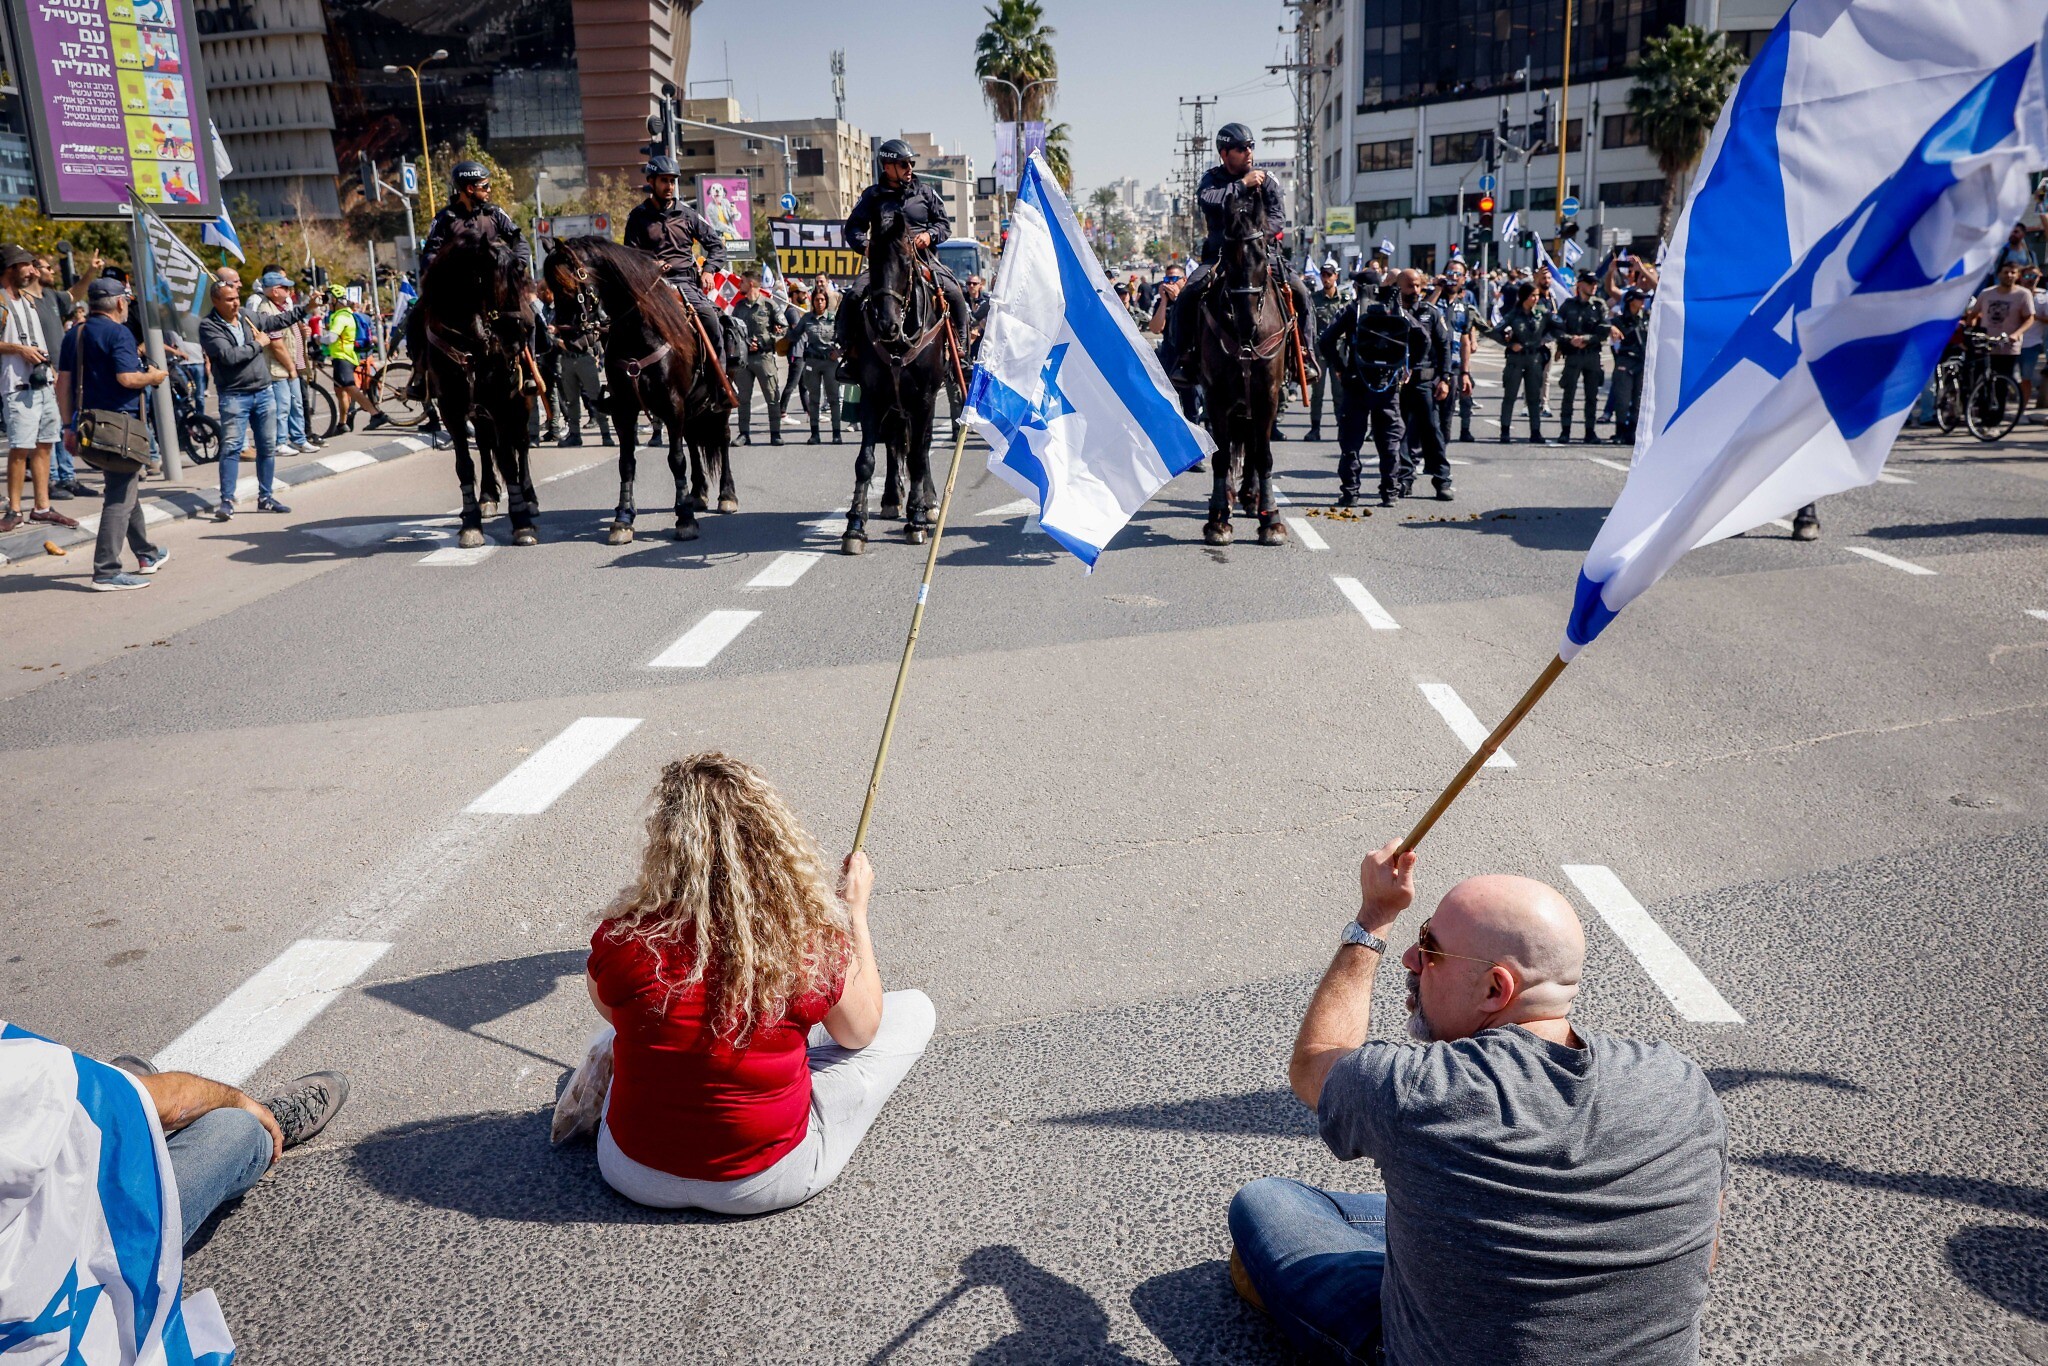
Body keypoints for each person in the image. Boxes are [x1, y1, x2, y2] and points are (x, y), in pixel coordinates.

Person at [1227, 839, 1728, 1365]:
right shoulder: (1681, 1080)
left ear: (1495, 989)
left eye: (1430, 947)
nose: (1411, 959)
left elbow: (1315, 1064)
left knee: (1267, 1202)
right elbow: (1703, 1250)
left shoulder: (1424, 1090)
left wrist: (1374, 917)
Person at [580, 753, 935, 1215]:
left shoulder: (626, 938)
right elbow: (860, 1032)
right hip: (766, 1178)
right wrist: (855, 914)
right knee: (915, 1010)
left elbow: (609, 1013)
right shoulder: (807, 942)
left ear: (666, 842)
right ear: (772, 838)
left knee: (630, 1030)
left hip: (633, 1172)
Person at [0, 1026, 348, 1360]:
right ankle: (263, 1126)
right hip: (87, 1251)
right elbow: (176, 1101)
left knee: (94, 1107)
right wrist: (129, 1096)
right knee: (237, 1128)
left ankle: (113, 1113)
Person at [1159, 124, 1317, 386]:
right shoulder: (1212, 180)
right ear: (1224, 153)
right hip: (1219, 257)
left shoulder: (1267, 180)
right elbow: (1209, 200)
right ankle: (1185, 357)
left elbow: (1278, 217)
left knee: (1301, 291)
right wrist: (1242, 185)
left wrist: (1255, 240)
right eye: (1241, 148)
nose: (1248, 152)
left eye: (1251, 146)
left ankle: (1304, 355)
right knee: (1188, 295)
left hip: (1262, 255)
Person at [58, 278, 167, 589]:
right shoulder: (120, 333)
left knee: (125, 488)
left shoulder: (75, 333)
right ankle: (106, 571)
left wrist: (67, 427)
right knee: (119, 497)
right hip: (122, 428)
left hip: (89, 425)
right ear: (121, 303)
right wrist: (153, 376)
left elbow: (62, 383)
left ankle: (147, 554)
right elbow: (127, 378)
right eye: (127, 301)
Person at [838, 140, 970, 382]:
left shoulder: (925, 192)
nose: (910, 168)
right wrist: (866, 246)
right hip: (885, 264)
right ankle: (850, 354)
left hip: (923, 259)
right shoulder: (873, 196)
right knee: (854, 295)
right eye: (903, 164)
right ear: (887, 166)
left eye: (911, 163)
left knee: (955, 293)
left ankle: (960, 353)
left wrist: (929, 235)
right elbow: (853, 227)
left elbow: (944, 225)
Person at [403, 161, 532, 401]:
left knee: (531, 317)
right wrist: (441, 275)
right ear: (469, 188)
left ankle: (529, 367)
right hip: (457, 291)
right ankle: (420, 374)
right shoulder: (445, 218)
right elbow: (430, 253)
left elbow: (519, 241)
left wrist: (516, 264)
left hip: (495, 288)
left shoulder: (495, 213)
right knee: (415, 317)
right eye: (485, 185)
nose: (489, 190)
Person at [199, 276, 308, 520]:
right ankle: (227, 500)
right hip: (234, 395)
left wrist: (305, 310)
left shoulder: (248, 316)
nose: (235, 303)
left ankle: (266, 497)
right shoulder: (209, 327)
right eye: (229, 300)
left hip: (263, 390)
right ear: (215, 301)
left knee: (267, 447)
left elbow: (276, 321)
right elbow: (229, 357)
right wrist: (258, 344)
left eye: (237, 298)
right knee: (231, 448)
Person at [1320, 276, 1426, 508]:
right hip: (1387, 384)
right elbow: (1423, 337)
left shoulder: (1354, 310)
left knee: (1350, 442)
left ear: (1359, 287)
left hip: (1357, 382)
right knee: (1389, 441)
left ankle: (1350, 494)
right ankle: (1390, 493)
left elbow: (1326, 339)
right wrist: (1408, 367)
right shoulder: (1395, 309)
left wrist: (1339, 367)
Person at [621, 155, 733, 371]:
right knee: (620, 325)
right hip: (651, 286)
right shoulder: (637, 217)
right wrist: (650, 266)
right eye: (664, 180)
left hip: (685, 285)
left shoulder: (688, 215)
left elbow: (717, 246)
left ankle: (720, 380)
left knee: (711, 320)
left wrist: (709, 270)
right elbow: (629, 256)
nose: (669, 186)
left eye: (672, 181)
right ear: (651, 182)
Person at [0, 243, 76, 536]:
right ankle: (14, 509)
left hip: (43, 384)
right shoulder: (2, 302)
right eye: (26, 265)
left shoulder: (28, 300)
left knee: (45, 443)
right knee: (21, 448)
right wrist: (18, 349)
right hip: (18, 387)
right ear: (10, 268)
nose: (32, 270)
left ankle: (42, 507)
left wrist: (49, 366)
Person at [246, 270, 304, 457]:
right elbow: (277, 344)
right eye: (285, 287)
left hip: (288, 364)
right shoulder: (266, 309)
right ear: (274, 290)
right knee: (282, 406)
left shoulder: (282, 307)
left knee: (296, 404)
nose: (289, 290)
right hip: (278, 367)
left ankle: (299, 439)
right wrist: (291, 367)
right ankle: (280, 442)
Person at [318, 285, 389, 432]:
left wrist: (317, 339)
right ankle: (342, 424)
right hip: (341, 356)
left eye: (329, 299)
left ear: (335, 300)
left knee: (350, 387)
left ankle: (377, 414)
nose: (328, 302)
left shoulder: (341, 316)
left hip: (344, 357)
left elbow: (331, 338)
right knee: (340, 391)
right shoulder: (344, 315)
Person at [554, 277, 614, 448]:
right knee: (571, 400)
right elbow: (552, 328)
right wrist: (556, 338)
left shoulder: (589, 304)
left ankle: (606, 433)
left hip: (585, 356)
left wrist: (593, 331)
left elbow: (604, 323)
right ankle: (574, 434)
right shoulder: (563, 307)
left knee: (595, 397)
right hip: (567, 357)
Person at [1555, 271, 1610, 444]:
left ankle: (1590, 431)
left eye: (1595, 283)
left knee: (1592, 396)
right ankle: (1565, 430)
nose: (1593, 286)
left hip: (1592, 355)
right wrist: (1569, 340)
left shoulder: (1599, 305)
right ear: (1580, 285)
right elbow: (1557, 327)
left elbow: (1604, 329)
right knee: (1568, 394)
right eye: (1589, 283)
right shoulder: (1568, 305)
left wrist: (1585, 339)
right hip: (1573, 354)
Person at [731, 274, 784, 446]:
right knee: (743, 398)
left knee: (772, 396)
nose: (740, 285)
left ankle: (775, 433)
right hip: (744, 360)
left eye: (742, 282)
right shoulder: (739, 307)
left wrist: (764, 342)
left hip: (764, 357)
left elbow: (783, 330)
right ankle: (744, 434)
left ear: (751, 283)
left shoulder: (769, 305)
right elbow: (732, 331)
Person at [1496, 285, 1553, 444]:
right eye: (1532, 296)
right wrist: (1509, 344)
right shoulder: (1514, 314)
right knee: (1510, 396)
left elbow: (1557, 325)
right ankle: (1505, 431)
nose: (1535, 299)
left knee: (1534, 397)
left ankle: (1535, 431)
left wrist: (1546, 339)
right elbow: (1496, 330)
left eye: (1536, 295)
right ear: (1523, 297)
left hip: (1534, 358)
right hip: (1516, 359)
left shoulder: (1541, 313)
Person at [787, 284, 842, 443]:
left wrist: (838, 351)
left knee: (833, 399)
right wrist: (783, 329)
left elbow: (843, 337)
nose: (819, 303)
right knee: (814, 399)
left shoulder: (833, 318)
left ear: (826, 302)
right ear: (812, 301)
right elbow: (794, 336)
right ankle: (815, 434)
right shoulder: (807, 319)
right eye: (817, 300)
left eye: (822, 300)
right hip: (812, 362)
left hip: (830, 362)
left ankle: (836, 434)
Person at [1974, 258, 2034, 391]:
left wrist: (2016, 334)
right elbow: (1974, 314)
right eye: (2006, 272)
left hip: (2008, 346)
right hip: (1986, 345)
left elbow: (2029, 318)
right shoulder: (1986, 293)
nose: (2009, 275)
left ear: (2018, 275)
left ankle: (1998, 411)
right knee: (1981, 383)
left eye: (2013, 272)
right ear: (1999, 274)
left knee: (2001, 385)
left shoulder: (2023, 294)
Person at [1305, 262, 1347, 442]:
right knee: (1318, 393)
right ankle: (1315, 428)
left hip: (1338, 351)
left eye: (1329, 275)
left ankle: (1342, 427)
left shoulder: (1345, 300)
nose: (1326, 278)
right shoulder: (1314, 299)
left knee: (1339, 392)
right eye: (1323, 275)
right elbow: (1308, 325)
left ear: (1336, 276)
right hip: (1320, 352)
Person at [1610, 288, 1651, 446]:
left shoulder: (1647, 318)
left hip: (1642, 362)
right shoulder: (1619, 321)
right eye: (1639, 299)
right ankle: (1620, 431)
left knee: (1638, 399)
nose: (1642, 302)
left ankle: (1633, 432)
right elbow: (1615, 344)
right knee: (1623, 399)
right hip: (1626, 361)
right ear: (1630, 300)